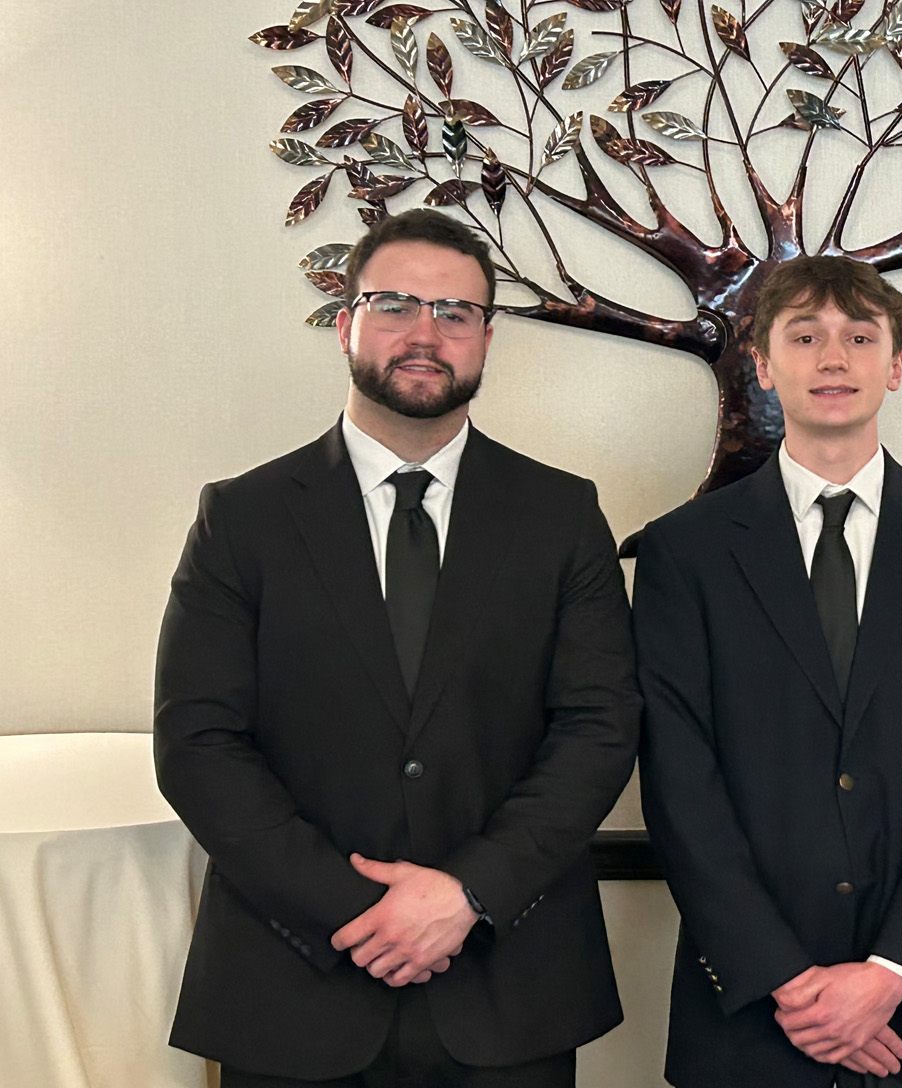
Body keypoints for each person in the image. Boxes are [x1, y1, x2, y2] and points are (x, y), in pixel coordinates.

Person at [154, 209, 640, 1087]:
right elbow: (198, 746)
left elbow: (599, 731)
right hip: (293, 982)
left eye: (455, 313)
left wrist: (464, 896)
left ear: (487, 341)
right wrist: (360, 914)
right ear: (345, 325)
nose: (425, 333)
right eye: (394, 305)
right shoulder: (243, 518)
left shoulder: (562, 516)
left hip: (507, 986)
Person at [633, 256, 902, 1088]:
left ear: (897, 363)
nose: (834, 359)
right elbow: (678, 777)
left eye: (859, 336)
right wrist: (789, 982)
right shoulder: (683, 551)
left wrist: (890, 975)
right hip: (747, 1006)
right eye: (804, 337)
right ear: (765, 364)